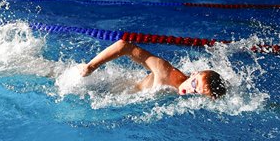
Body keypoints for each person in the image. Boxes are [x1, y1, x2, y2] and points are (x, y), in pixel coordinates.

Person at [79, 39, 227, 99]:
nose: (191, 92)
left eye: (197, 93)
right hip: (110, 88)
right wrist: (91, 66)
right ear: (193, 74)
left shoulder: (183, 97)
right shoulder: (165, 71)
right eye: (194, 85)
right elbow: (124, 46)